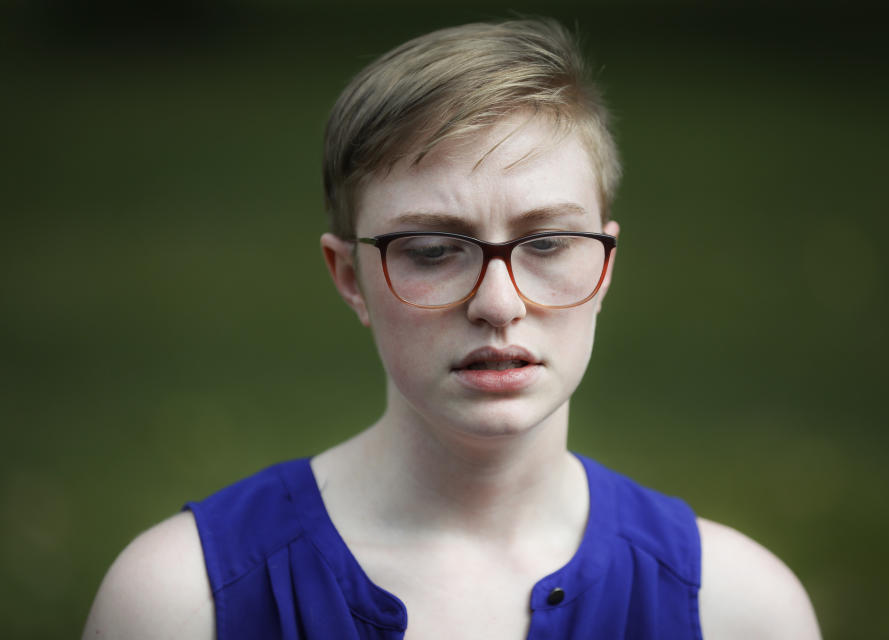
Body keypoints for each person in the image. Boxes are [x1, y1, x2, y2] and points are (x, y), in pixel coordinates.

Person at [82, 18, 820, 640]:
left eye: (548, 244)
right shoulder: (183, 603)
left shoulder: (736, 610)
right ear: (350, 278)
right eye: (434, 250)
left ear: (606, 264)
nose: (498, 303)